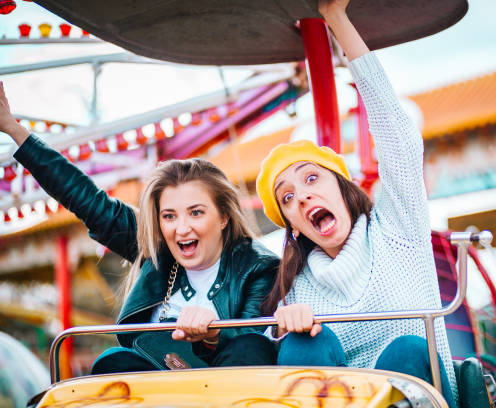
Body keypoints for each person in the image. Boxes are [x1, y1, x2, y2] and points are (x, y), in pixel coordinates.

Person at [255, 0, 457, 406]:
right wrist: (280, 328)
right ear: (293, 224)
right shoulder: (296, 288)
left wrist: (336, 18)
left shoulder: (398, 228)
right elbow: (261, 345)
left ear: (343, 188)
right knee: (301, 345)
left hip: (420, 390)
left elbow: (397, 136)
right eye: (289, 198)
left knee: (406, 353)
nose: (304, 196)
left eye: (312, 178)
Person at [0, 82, 279, 372]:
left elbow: (251, 341)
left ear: (223, 217)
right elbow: (84, 198)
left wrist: (211, 335)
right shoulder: (157, 249)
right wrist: (13, 129)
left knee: (251, 348)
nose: (181, 229)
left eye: (195, 213)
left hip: (226, 387)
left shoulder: (258, 267)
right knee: (112, 362)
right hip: (159, 387)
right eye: (169, 216)